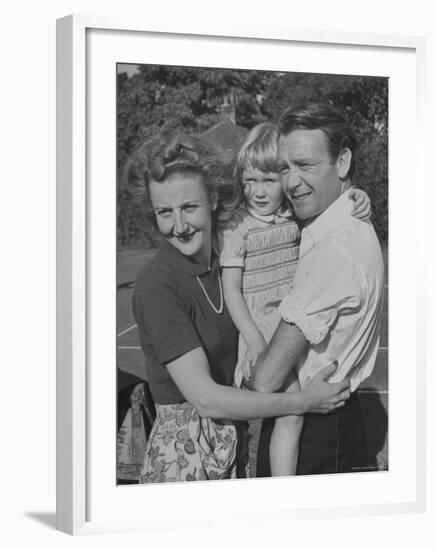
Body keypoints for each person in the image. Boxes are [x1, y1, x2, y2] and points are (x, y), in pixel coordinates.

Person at [130, 129, 351, 483]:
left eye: (189, 207)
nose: (180, 226)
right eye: (164, 212)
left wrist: (352, 199)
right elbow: (205, 399)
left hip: (231, 443)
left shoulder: (226, 258)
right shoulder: (157, 285)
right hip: (184, 459)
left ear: (214, 199)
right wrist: (302, 402)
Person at [219, 122, 371, 477]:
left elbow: (333, 214)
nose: (258, 191)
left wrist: (358, 196)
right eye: (249, 180)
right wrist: (255, 340)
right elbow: (230, 290)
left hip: (294, 323)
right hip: (261, 330)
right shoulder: (236, 228)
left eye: (269, 180)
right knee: (290, 412)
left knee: (291, 414)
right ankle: (282, 488)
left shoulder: (294, 217)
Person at [252, 103, 385, 476]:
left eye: (305, 165)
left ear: (342, 163)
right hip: (330, 420)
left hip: (314, 430)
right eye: (284, 168)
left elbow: (265, 380)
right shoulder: (342, 227)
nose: (291, 181)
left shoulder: (335, 250)